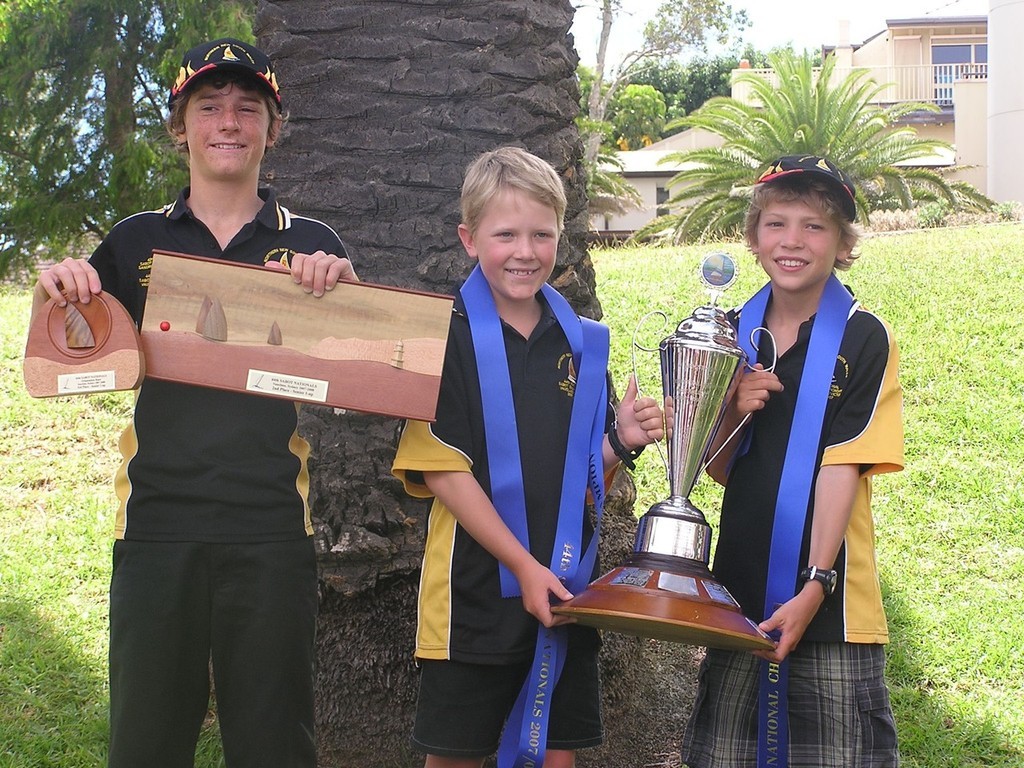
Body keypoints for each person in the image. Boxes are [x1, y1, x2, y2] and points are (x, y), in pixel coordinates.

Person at [31, 38, 356, 768]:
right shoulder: (134, 241)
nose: (229, 123)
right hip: (157, 526)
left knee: (275, 745)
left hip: (272, 528)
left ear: (273, 127)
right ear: (182, 127)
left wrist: (343, 287)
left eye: (249, 108)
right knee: (146, 743)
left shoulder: (311, 245)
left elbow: (356, 369)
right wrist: (57, 288)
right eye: (210, 107)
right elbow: (68, 355)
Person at [391, 146, 664, 768]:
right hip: (471, 599)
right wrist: (522, 564)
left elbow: (586, 482)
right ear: (468, 238)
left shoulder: (583, 343)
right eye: (505, 234)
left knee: (554, 757)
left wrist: (619, 441)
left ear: (560, 237)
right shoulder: (444, 335)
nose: (525, 251)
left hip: (565, 588)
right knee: (454, 756)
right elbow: (442, 471)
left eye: (541, 234)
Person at [680, 155, 905, 768]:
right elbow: (719, 471)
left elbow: (843, 467)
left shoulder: (863, 337)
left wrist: (816, 583)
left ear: (842, 243)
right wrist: (730, 412)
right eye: (777, 223)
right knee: (724, 754)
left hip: (830, 601)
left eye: (815, 226)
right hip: (737, 592)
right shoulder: (730, 333)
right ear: (754, 238)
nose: (793, 241)